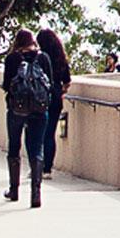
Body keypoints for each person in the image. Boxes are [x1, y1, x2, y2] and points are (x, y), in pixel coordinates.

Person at [1, 29, 54, 208]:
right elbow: (51, 85)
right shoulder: (44, 58)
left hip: (17, 109)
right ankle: (36, 194)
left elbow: (6, 84)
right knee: (36, 148)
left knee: (14, 146)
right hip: (40, 110)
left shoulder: (12, 59)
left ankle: (14, 190)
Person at [36, 29, 73, 180]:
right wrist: (60, 91)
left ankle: (37, 165)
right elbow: (68, 81)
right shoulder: (61, 59)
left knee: (38, 133)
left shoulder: (40, 58)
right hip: (56, 96)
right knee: (50, 133)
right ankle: (47, 169)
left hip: (42, 96)